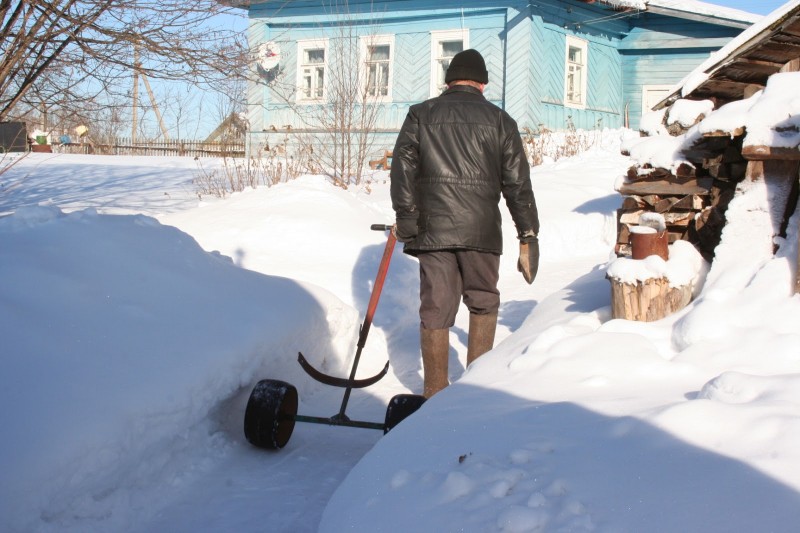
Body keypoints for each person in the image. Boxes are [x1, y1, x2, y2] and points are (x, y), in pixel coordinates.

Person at [390, 48, 540, 398]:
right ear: (482, 84)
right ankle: (475, 391)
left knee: (436, 307)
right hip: (481, 232)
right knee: (483, 301)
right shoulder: (501, 121)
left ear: (449, 81)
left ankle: (434, 391)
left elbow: (402, 170)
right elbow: (518, 184)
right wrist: (527, 233)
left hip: (432, 231)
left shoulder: (420, 115)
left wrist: (406, 216)